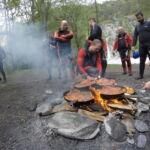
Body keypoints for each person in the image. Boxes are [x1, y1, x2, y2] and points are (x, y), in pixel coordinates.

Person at [133, 11, 150, 79]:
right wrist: (133, 45)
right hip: (142, 46)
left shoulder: (148, 23)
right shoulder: (137, 26)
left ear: (143, 16)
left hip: (149, 45)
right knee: (142, 60)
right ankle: (141, 75)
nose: (139, 19)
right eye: (137, 18)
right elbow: (135, 36)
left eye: (139, 17)